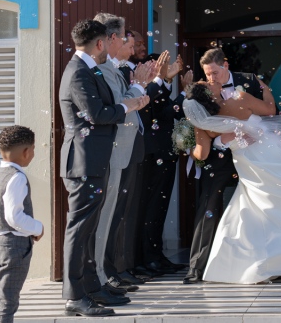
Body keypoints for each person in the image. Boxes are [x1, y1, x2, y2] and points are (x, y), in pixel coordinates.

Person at [183, 81, 281, 283]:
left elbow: (202, 153)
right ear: (209, 93)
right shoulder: (239, 99)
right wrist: (266, 90)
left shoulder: (204, 123)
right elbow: (269, 110)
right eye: (209, 82)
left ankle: (263, 259)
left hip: (247, 162)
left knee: (258, 204)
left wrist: (187, 148)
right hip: (272, 153)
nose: (214, 82)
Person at [58, 19, 149, 317]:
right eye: (106, 44)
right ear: (99, 43)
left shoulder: (90, 69)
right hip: (84, 160)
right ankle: (74, 296)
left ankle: (91, 286)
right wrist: (130, 106)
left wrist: (129, 98)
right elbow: (96, 114)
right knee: (79, 230)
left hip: (96, 158)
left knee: (89, 227)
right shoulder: (78, 73)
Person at [182, 48, 272, 284]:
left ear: (226, 65)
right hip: (218, 157)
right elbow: (198, 124)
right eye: (207, 74)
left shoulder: (250, 82)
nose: (210, 78)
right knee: (208, 208)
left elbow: (272, 113)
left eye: (214, 72)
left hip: (252, 154)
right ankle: (196, 267)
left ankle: (264, 262)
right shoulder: (201, 91)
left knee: (259, 205)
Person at [92, 16, 154, 296]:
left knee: (113, 215)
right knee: (104, 215)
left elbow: (127, 103)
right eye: (125, 38)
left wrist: (140, 92)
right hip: (111, 150)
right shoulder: (103, 69)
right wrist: (139, 88)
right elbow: (119, 106)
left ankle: (105, 273)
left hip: (122, 149)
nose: (130, 44)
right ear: (112, 39)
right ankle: (99, 275)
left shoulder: (113, 68)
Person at [0, 125, 43, 323]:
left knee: (2, 298)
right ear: (26, 152)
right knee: (9, 303)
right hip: (15, 246)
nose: (33, 153)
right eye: (33, 149)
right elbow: (14, 217)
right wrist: (37, 228)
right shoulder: (17, 177)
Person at [137, 49, 189, 277]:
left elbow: (166, 109)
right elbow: (165, 114)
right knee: (152, 208)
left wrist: (169, 80)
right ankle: (148, 258)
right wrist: (185, 92)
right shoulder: (142, 88)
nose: (164, 68)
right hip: (152, 154)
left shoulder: (159, 88)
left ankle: (157, 256)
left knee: (161, 208)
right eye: (161, 65)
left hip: (165, 153)